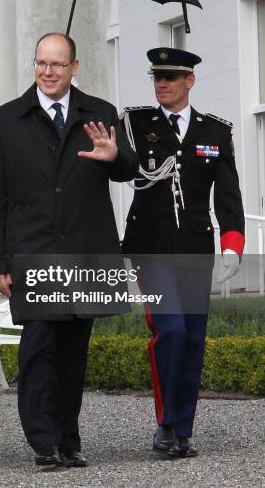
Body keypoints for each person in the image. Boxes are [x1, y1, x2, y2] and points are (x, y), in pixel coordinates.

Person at [0, 32, 138, 470]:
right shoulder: (6, 119)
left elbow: (129, 170)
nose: (47, 72)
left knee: (73, 350)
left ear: (74, 67)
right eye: (41, 63)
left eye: (57, 64)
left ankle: (69, 438)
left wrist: (115, 157)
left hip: (85, 250)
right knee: (38, 346)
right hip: (32, 252)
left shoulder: (101, 113)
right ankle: (43, 441)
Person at [121, 47, 245, 458]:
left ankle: (182, 430)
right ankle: (166, 424)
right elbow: (118, 165)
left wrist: (232, 246)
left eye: (171, 77)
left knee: (192, 339)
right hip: (151, 249)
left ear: (189, 81)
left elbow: (228, 196)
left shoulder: (215, 131)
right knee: (170, 330)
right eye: (156, 76)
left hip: (195, 249)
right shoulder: (136, 122)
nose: (161, 83)